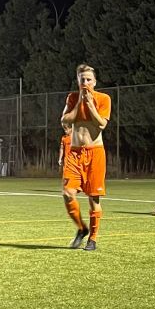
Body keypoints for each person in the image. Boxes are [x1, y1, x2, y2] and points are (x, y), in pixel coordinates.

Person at [60, 63, 111, 251]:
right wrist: (81, 102)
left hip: (95, 153)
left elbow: (101, 124)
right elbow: (65, 120)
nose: (86, 82)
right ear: (78, 81)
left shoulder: (104, 98)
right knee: (67, 193)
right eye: (82, 79)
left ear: (95, 82)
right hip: (74, 153)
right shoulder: (72, 98)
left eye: (89, 79)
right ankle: (82, 229)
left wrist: (90, 104)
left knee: (94, 199)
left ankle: (93, 238)